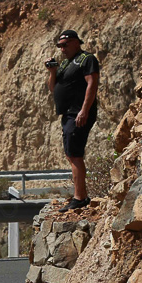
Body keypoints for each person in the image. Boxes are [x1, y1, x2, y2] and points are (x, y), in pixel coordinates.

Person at [46, 29, 100, 210]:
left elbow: (92, 84)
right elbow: (53, 88)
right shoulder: (65, 64)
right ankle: (80, 195)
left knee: (75, 154)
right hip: (68, 114)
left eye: (65, 45)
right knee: (71, 154)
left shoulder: (86, 59)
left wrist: (84, 110)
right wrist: (53, 71)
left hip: (78, 113)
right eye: (59, 46)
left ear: (76, 42)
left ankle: (80, 198)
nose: (62, 49)